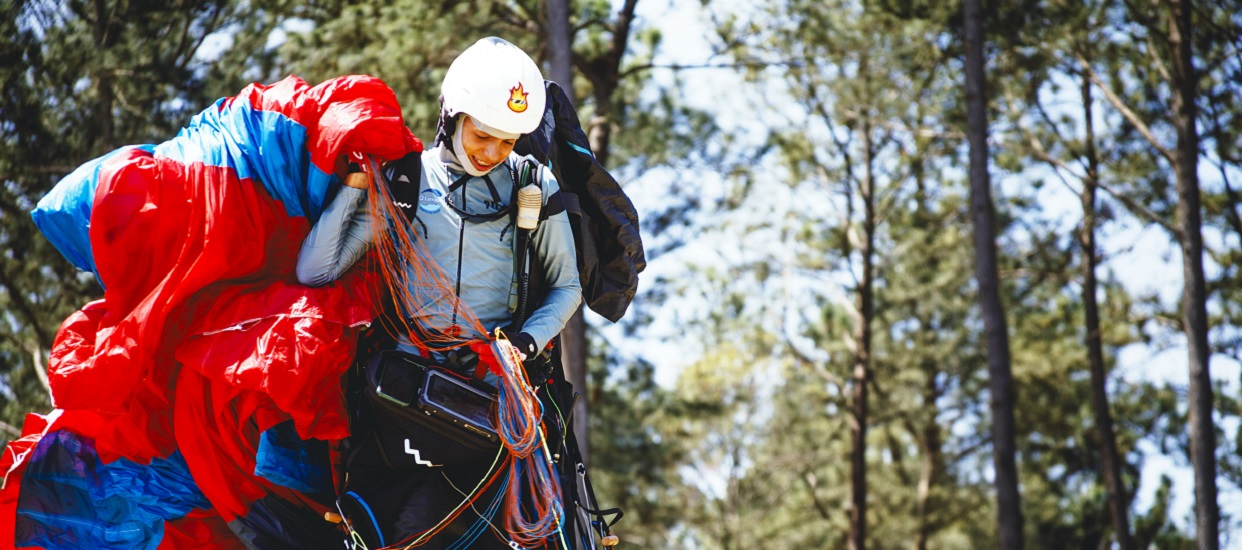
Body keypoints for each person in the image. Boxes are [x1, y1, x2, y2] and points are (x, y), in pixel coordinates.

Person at [296, 37, 582, 549]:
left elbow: (566, 285)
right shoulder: (406, 180)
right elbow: (316, 271)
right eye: (483, 134)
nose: (492, 153)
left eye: (508, 142)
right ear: (453, 114)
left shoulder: (532, 184)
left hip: (495, 399)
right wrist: (360, 185)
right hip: (401, 396)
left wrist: (523, 344)